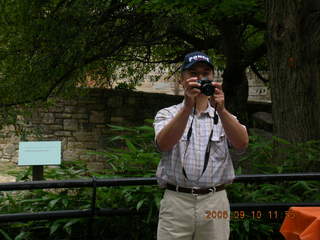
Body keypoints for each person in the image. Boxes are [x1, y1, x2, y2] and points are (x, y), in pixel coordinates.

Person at [153, 51, 248, 240]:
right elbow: (163, 144)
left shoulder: (224, 117)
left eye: (206, 73)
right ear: (182, 80)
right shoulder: (167, 114)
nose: (200, 78)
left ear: (212, 78)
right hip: (176, 201)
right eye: (193, 73)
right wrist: (187, 107)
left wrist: (221, 109)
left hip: (215, 201)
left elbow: (241, 143)